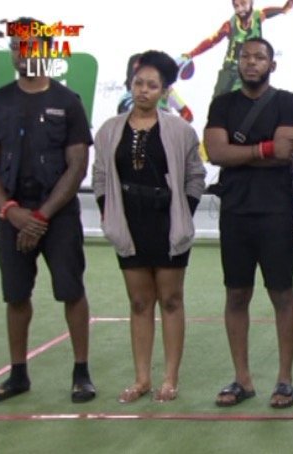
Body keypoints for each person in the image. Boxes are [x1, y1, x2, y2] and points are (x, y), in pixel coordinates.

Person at [0, 17, 96, 404]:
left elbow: (77, 166)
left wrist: (41, 217)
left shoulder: (68, 102)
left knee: (71, 291)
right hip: (13, 214)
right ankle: (18, 375)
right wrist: (10, 210)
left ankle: (81, 374)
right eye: (16, 46)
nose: (21, 53)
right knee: (15, 296)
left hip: (58, 216)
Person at [92, 51, 206, 403]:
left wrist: (184, 212)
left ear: (164, 90)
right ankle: (141, 379)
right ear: (130, 84)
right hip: (129, 221)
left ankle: (170, 379)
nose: (143, 90)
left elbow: (195, 176)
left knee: (170, 300)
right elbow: (100, 176)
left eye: (151, 85)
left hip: (168, 222)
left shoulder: (181, 130)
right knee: (139, 301)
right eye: (138, 83)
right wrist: (108, 212)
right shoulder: (109, 130)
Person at [204, 37, 293, 408]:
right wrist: (263, 149)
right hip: (235, 213)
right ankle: (242, 380)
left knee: (282, 294)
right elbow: (216, 152)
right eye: (245, 56)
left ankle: (285, 380)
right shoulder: (222, 104)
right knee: (236, 295)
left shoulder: (288, 102)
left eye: (259, 57)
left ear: (271, 66)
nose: (251, 62)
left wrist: (240, 153)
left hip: (276, 213)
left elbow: (285, 152)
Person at [184, 0, 293, 99]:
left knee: (242, 102)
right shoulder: (229, 25)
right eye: (236, 6)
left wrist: (286, 6)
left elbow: (284, 9)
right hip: (229, 71)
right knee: (217, 104)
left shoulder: (259, 16)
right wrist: (191, 54)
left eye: (243, 3)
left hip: (247, 71)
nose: (240, 9)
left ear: (251, 2)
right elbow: (212, 41)